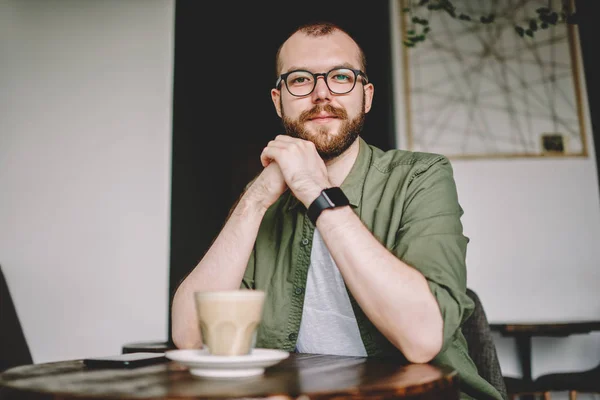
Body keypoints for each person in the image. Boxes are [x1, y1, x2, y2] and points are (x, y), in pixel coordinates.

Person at [171, 21, 502, 400]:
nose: (321, 94)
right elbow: (190, 335)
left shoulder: (421, 176)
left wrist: (318, 192)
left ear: (367, 96)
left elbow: (422, 338)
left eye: (341, 76)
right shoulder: (264, 199)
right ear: (279, 100)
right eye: (300, 80)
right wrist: (255, 198)